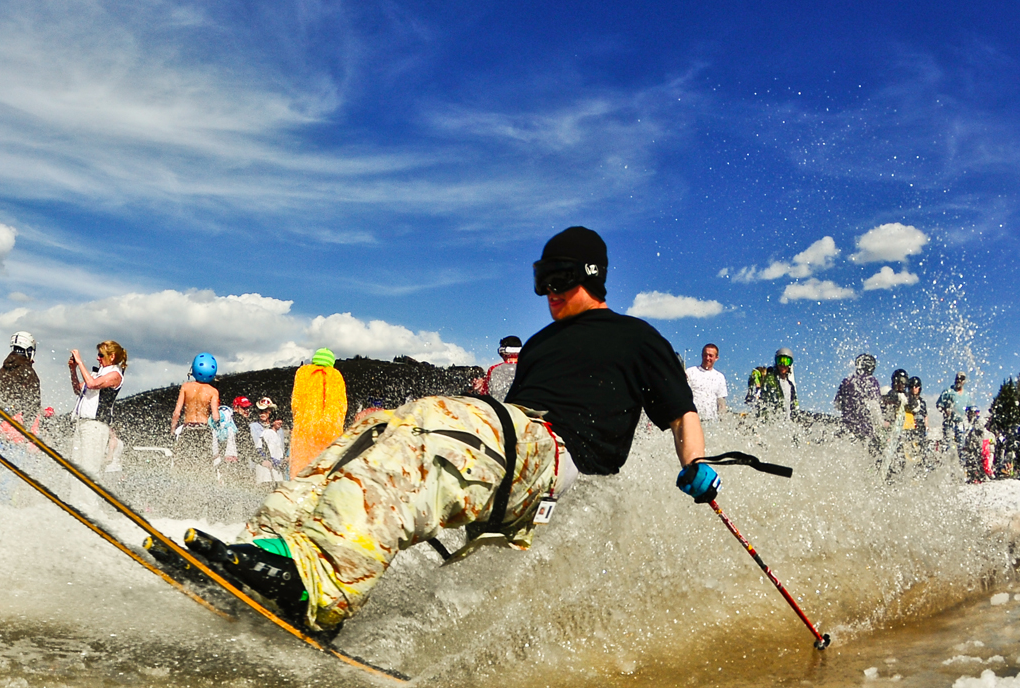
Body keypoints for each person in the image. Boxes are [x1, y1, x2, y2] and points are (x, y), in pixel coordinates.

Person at [169, 226, 710, 632]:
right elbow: (497, 443)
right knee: (377, 430)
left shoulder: (636, 336)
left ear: (591, 276)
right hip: (513, 446)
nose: (548, 291)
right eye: (541, 280)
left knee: (438, 420)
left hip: (556, 453)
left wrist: (695, 464)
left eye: (559, 279)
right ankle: (269, 547)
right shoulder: (542, 344)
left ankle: (324, 587)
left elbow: (681, 412)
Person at [68, 341, 126, 497]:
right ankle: (75, 504)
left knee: (89, 469)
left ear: (112, 356)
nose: (98, 358)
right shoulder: (96, 374)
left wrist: (80, 362)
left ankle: (90, 508)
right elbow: (77, 389)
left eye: (101, 355)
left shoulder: (115, 375)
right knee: (75, 468)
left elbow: (92, 384)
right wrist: (73, 370)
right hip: (83, 424)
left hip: (96, 426)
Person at [289, 348, 347, 478]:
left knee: (301, 469)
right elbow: (341, 407)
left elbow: (295, 403)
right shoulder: (337, 376)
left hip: (305, 430)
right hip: (330, 431)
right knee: (327, 471)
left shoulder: (302, 373)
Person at [172, 354, 220, 470]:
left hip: (188, 429)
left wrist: (172, 431)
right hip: (204, 430)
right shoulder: (213, 391)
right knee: (204, 465)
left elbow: (176, 413)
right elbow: (215, 417)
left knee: (184, 464)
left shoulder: (186, 387)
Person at [0, 332, 42, 427]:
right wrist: (28, 425)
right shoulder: (27, 370)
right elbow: (32, 401)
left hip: (3, 421)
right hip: (20, 424)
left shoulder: (3, 370)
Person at [835, 354, 882, 443]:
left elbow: (837, 405)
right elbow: (875, 407)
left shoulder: (847, 381)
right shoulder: (872, 381)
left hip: (846, 427)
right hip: (865, 430)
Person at [746, 348, 798, 421]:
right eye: (780, 361)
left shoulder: (790, 385)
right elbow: (756, 373)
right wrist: (757, 381)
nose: (783, 365)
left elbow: (794, 405)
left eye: (786, 361)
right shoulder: (769, 376)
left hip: (784, 422)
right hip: (767, 419)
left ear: (790, 364)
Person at [937, 372, 974, 465]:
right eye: (957, 378)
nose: (959, 380)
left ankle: (962, 468)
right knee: (948, 445)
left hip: (960, 423)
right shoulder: (948, 391)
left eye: (961, 379)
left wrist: (972, 414)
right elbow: (938, 404)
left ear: (964, 381)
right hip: (949, 422)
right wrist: (945, 410)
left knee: (962, 447)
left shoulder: (966, 395)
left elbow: (970, 407)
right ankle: (946, 466)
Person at [685, 344, 729, 422]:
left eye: (710, 356)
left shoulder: (720, 377)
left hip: (711, 421)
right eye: (705, 355)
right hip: (692, 419)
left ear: (716, 358)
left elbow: (721, 402)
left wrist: (724, 422)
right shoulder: (690, 372)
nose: (707, 358)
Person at [475, 336, 522, 401]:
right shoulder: (529, 369)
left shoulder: (494, 370)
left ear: (504, 352)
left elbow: (485, 394)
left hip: (499, 408)